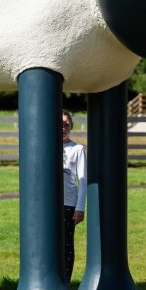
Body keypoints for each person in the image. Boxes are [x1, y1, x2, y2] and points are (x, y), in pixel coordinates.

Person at [61, 110, 87, 281]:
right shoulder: (45, 147)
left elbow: (83, 179)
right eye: (59, 124)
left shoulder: (77, 149)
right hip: (47, 205)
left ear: (71, 126)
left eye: (66, 125)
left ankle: (66, 281)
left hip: (68, 204)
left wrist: (79, 207)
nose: (62, 128)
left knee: (66, 244)